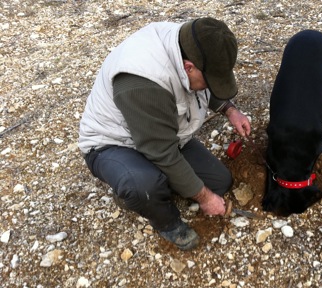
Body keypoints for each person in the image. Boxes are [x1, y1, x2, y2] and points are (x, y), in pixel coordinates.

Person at [78, 17, 251, 251]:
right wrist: (206, 199)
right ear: (188, 67)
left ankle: (154, 180)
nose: (212, 86)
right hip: (114, 143)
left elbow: (208, 85)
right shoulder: (143, 81)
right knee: (143, 186)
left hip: (164, 133)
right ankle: (162, 218)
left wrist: (230, 110)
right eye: (210, 81)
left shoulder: (190, 42)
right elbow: (162, 152)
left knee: (219, 181)